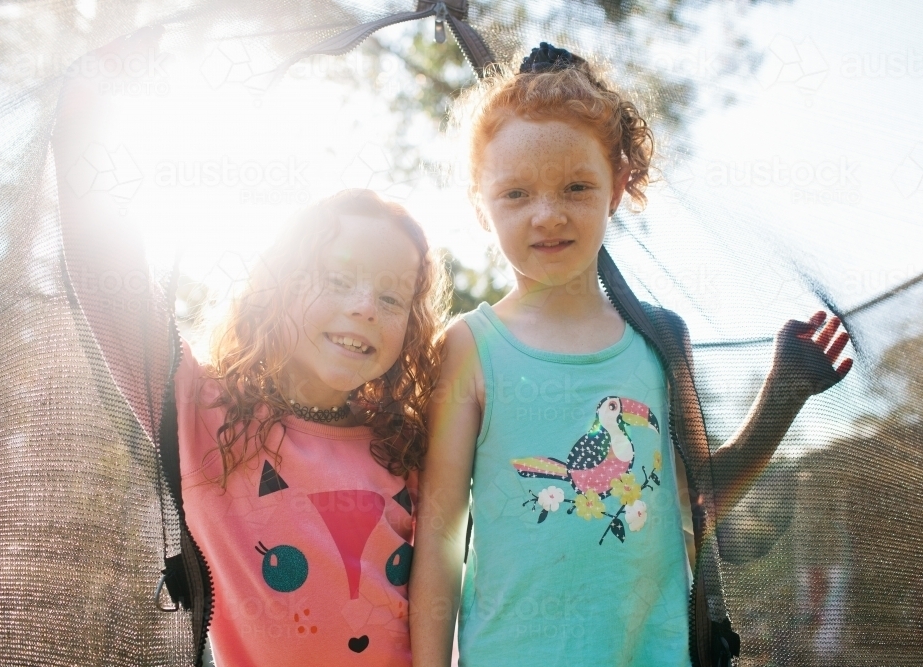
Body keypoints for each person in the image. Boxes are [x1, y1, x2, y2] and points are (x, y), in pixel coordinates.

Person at [409, 42, 853, 667]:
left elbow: (697, 499)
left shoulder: (661, 337)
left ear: (618, 187)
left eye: (576, 186)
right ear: (479, 201)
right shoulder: (469, 346)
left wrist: (781, 398)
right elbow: (440, 534)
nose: (548, 214)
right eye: (516, 194)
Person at [52, 29, 449, 667]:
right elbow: (110, 274)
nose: (364, 307)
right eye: (338, 278)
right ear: (278, 287)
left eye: (393, 296)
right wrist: (91, 109)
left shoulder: (406, 446)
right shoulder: (207, 415)